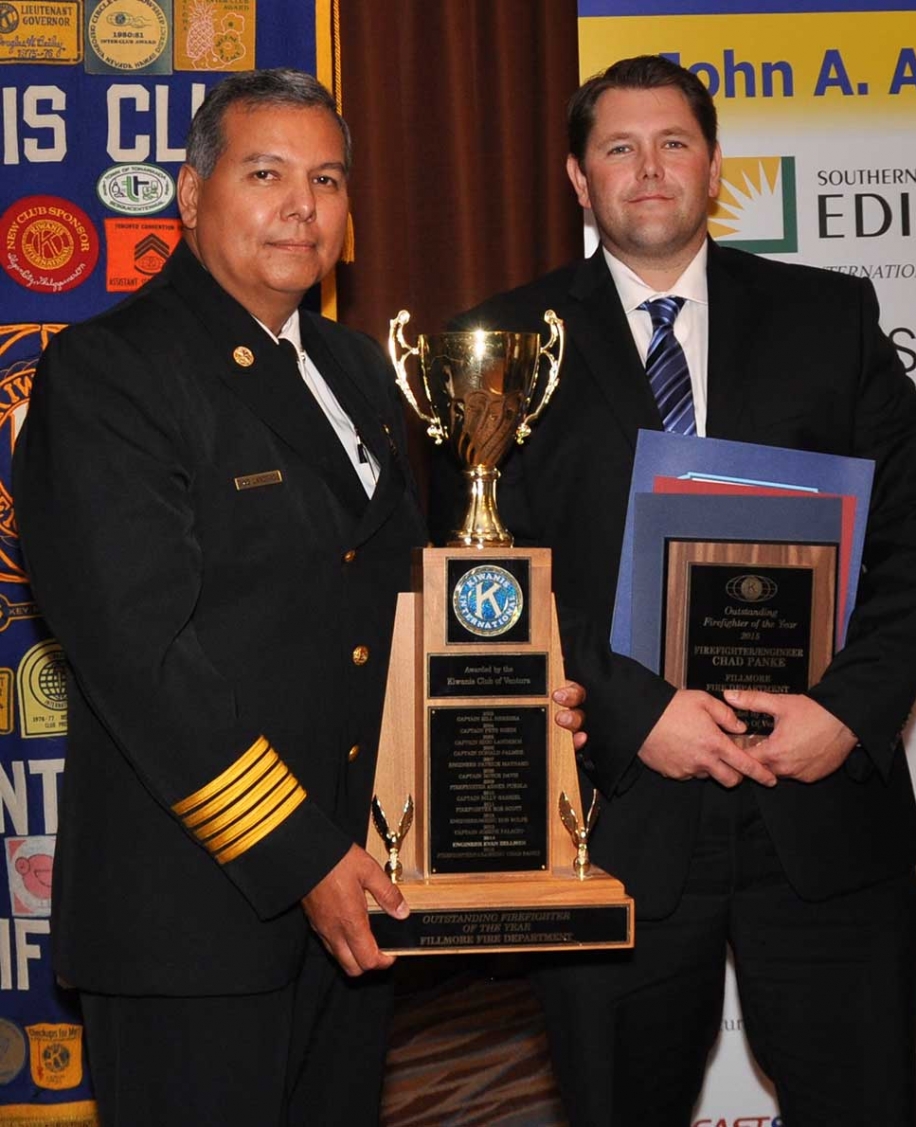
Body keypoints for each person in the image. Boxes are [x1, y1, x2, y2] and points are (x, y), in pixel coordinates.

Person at [13, 69, 585, 1126]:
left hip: (353, 901)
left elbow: (392, 606)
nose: (301, 205)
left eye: (326, 179)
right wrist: (302, 851)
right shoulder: (111, 372)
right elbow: (143, 655)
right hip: (199, 917)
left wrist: (498, 706)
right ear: (189, 196)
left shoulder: (360, 372)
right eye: (265, 172)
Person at [431, 55, 916, 1127]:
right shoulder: (504, 346)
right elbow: (486, 576)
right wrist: (639, 713)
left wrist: (846, 711)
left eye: (672, 143)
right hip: (615, 822)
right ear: (578, 180)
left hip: (820, 808)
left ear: (712, 165)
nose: (648, 169)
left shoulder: (831, 316)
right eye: (618, 148)